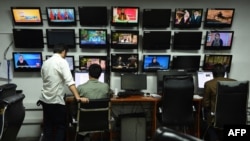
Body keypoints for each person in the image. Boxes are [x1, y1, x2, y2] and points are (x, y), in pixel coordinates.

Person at [39, 44, 89, 141]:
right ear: (64, 51)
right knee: (60, 127)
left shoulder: (46, 62)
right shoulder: (62, 62)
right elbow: (70, 82)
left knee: (48, 127)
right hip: (56, 101)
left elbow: (44, 79)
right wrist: (78, 97)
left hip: (45, 100)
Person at [202, 63, 236, 141]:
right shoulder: (235, 82)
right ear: (224, 73)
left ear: (213, 74)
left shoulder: (209, 84)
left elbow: (206, 104)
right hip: (233, 117)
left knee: (204, 118)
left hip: (216, 118)